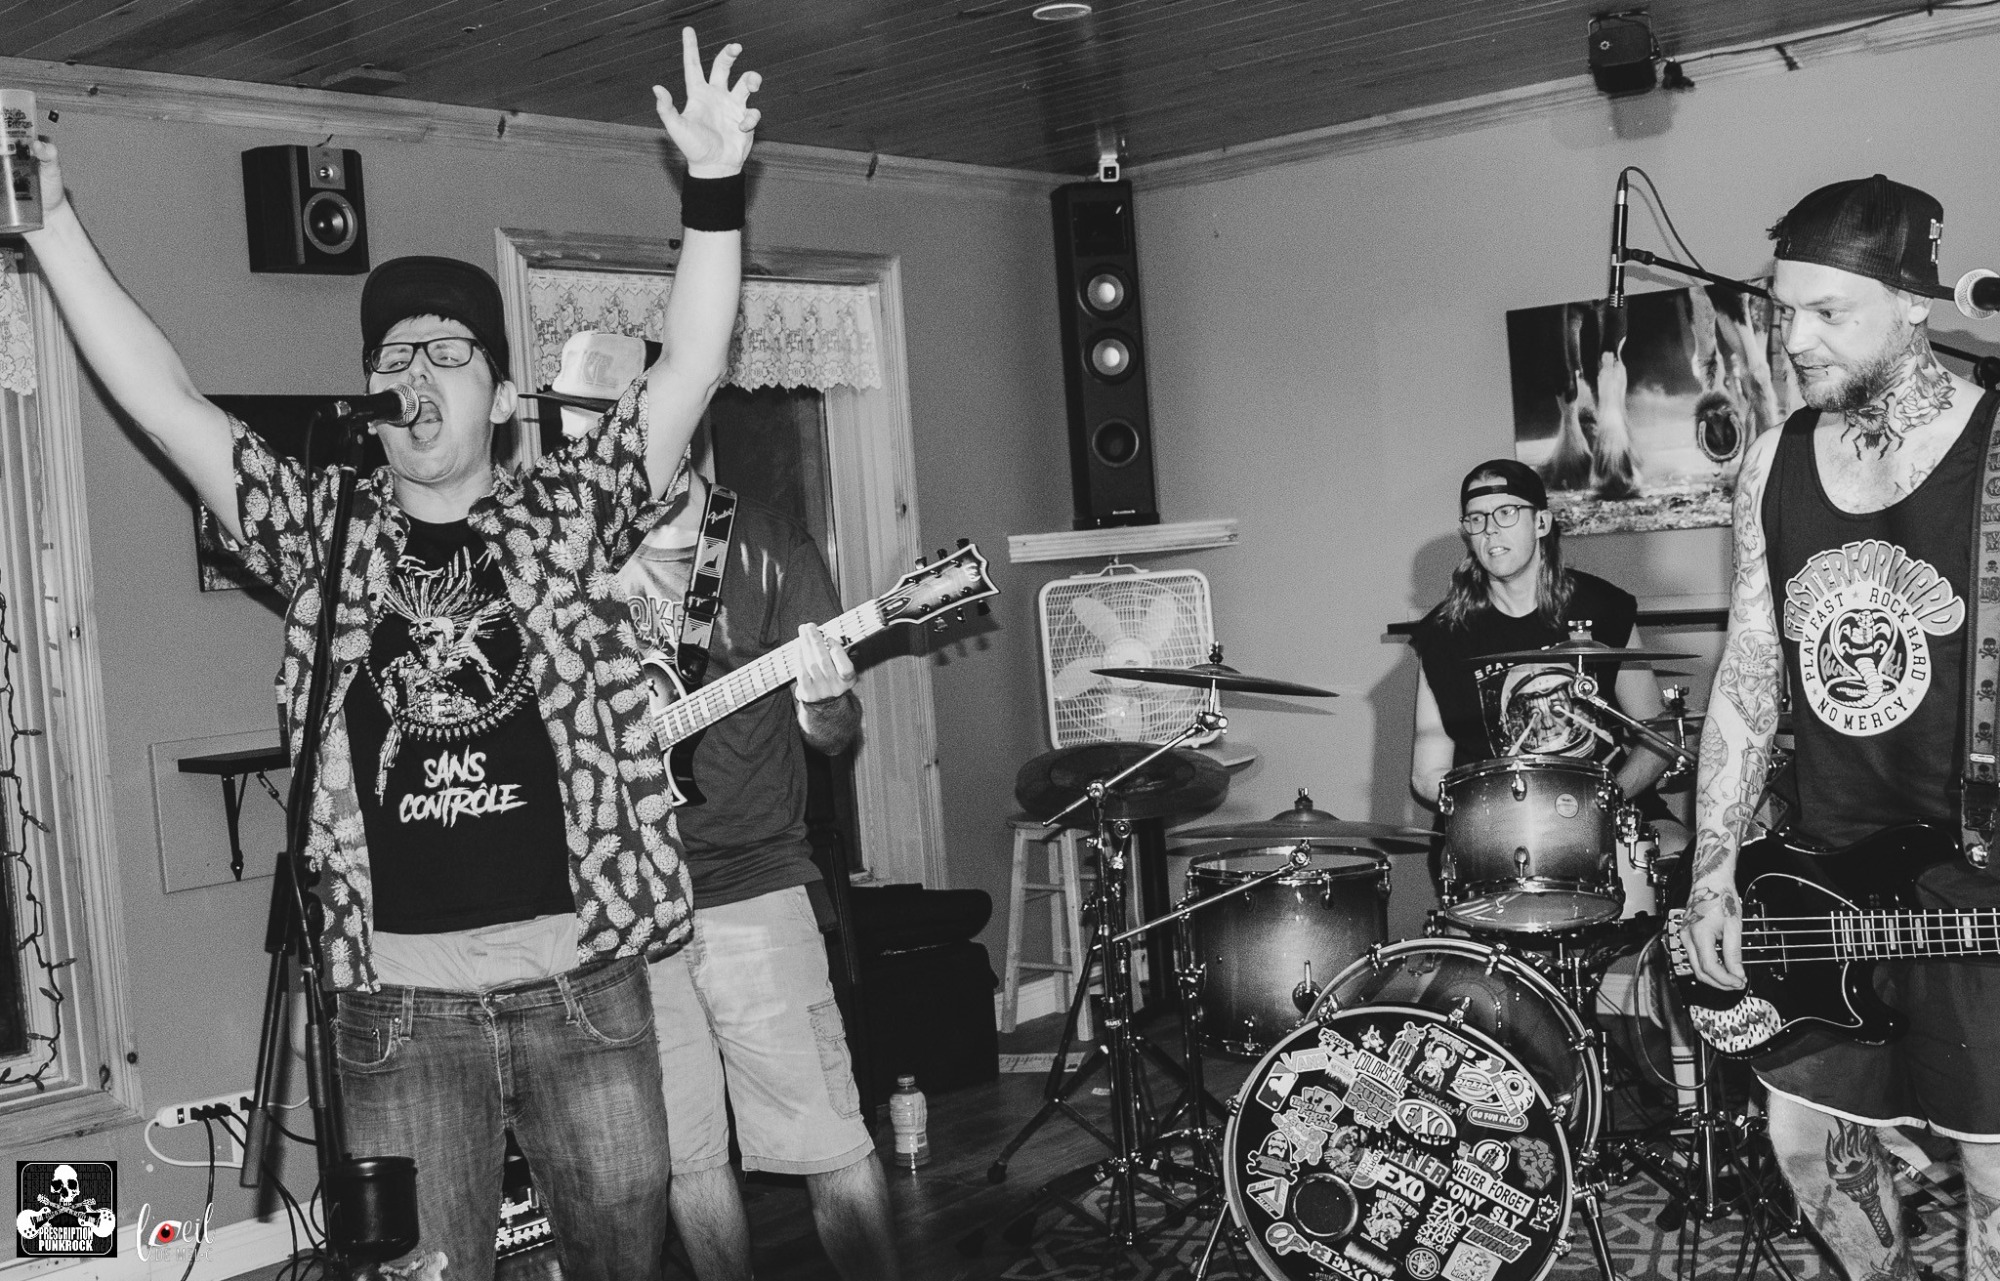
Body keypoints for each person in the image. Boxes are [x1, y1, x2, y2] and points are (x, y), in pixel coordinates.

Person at [13, 28, 761, 1281]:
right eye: (393, 358)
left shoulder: (564, 515)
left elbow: (686, 366)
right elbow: (167, 404)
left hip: (581, 986)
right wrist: (46, 223)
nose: (415, 374)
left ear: (502, 400)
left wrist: (715, 190)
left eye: (448, 354)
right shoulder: (328, 530)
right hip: (396, 1008)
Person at [1679, 174, 2000, 1281]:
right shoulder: (1773, 461)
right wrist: (1712, 868)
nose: (1794, 339)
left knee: (1992, 1172)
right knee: (1810, 1148)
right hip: (1822, 882)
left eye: (1827, 312)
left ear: (1913, 303)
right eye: (1784, 311)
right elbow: (1747, 673)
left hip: (1974, 885)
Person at [606, 386, 898, 1280]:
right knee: (686, 1154)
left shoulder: (770, 546)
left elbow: (835, 733)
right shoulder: (576, 557)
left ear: (686, 433)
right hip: (630, 903)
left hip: (754, 883)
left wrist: (822, 699)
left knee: (828, 1136)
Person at [1410, 459, 1681, 852]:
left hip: (1608, 807)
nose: (1490, 529)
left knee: (1683, 857)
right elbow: (1427, 773)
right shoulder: (1443, 634)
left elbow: (1658, 735)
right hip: (1499, 827)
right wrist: (1501, 811)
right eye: (1476, 519)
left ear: (1541, 522)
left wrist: (1603, 801)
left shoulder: (1601, 607)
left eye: (1506, 512)